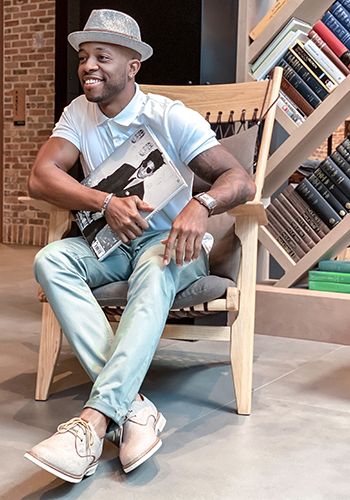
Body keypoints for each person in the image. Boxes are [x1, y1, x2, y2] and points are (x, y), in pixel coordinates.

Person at [24, 9, 256, 483]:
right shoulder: (78, 113)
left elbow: (240, 179)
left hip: (171, 244)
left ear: (133, 67)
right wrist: (106, 201)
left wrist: (203, 203)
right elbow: (40, 178)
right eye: (84, 56)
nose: (88, 65)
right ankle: (134, 409)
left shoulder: (169, 115)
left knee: (156, 262)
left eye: (102, 57)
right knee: (51, 259)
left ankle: (92, 423)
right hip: (109, 245)